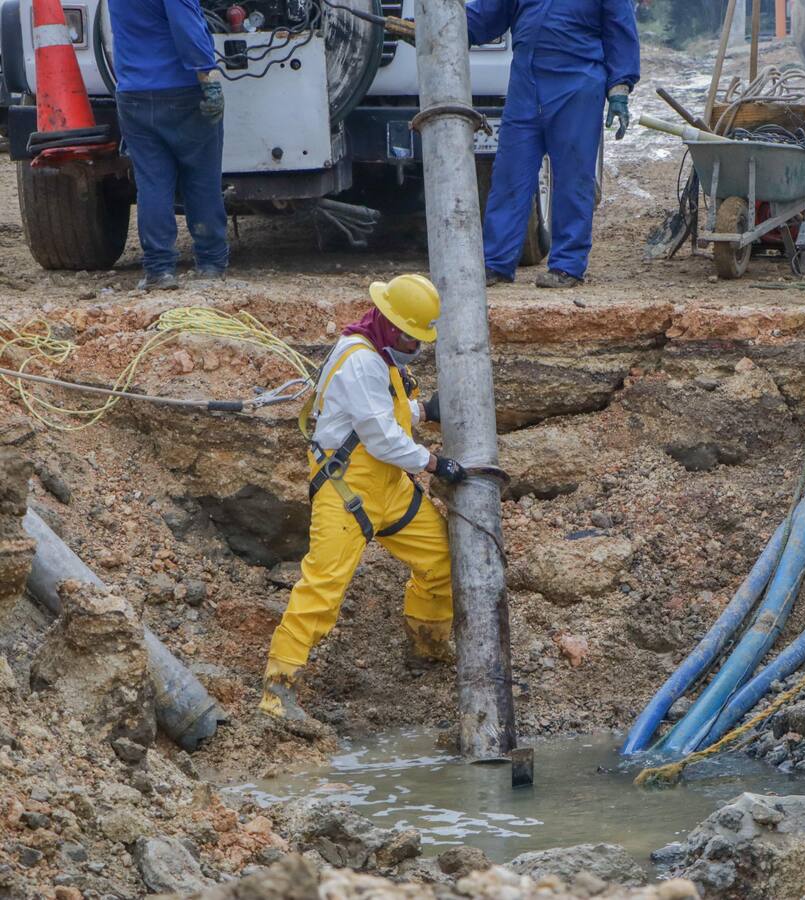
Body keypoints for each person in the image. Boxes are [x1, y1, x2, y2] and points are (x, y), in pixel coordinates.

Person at [259, 274, 468, 732]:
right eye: (412, 336)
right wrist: (435, 464)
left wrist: (421, 412)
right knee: (323, 588)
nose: (416, 345)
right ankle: (278, 690)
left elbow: (381, 412)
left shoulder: (379, 356)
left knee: (439, 557)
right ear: (392, 325)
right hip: (347, 490)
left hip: (388, 487)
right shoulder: (360, 361)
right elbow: (380, 438)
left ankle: (426, 648)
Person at [466, 0, 640, 289]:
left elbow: (620, 31)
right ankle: (495, 263)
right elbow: (487, 13)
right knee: (510, 175)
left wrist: (619, 89)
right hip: (526, 85)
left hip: (578, 85)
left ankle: (567, 266)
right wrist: (441, 30)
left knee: (573, 178)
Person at [108, 0, 229, 290]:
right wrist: (207, 74)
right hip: (182, 92)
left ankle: (159, 270)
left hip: (133, 94)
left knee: (152, 183)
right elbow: (185, 26)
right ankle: (211, 263)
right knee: (201, 178)